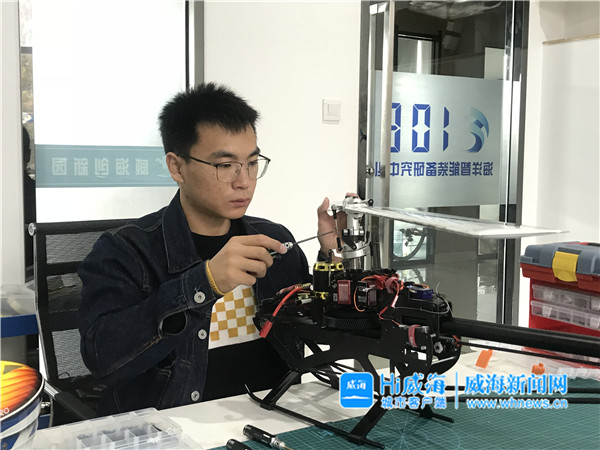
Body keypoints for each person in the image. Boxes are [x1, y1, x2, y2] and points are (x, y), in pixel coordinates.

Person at [78, 82, 342, 416]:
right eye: (225, 165)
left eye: (252, 162)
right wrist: (204, 283)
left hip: (276, 419)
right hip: (177, 429)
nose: (243, 181)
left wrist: (334, 257)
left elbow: (322, 333)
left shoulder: (275, 240)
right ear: (177, 167)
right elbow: (102, 359)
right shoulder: (126, 251)